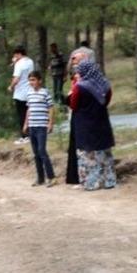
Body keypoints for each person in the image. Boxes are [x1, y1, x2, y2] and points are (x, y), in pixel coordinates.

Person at [68, 59, 116, 191]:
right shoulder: (105, 85)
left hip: (84, 124)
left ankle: (91, 183)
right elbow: (106, 101)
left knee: (87, 154)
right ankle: (108, 180)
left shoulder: (80, 87)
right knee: (104, 152)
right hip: (101, 121)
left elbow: (73, 104)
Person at [64, 48, 96, 185]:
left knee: (84, 147)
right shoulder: (76, 75)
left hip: (85, 115)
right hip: (76, 114)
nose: (73, 62)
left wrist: (72, 97)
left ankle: (87, 178)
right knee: (75, 145)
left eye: (75, 59)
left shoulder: (89, 77)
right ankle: (74, 177)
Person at [22, 71, 56, 187]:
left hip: (42, 126)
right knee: (36, 153)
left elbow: (51, 108)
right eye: (30, 80)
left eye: (34, 80)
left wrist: (50, 123)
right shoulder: (29, 93)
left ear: (39, 80)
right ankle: (40, 178)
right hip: (32, 126)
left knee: (42, 151)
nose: (32, 82)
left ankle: (51, 177)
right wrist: (26, 123)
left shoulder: (45, 93)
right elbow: (29, 109)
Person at [8, 45, 34, 145]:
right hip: (29, 91)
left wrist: (11, 86)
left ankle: (24, 136)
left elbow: (16, 78)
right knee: (29, 114)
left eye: (15, 54)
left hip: (20, 93)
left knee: (21, 115)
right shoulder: (30, 61)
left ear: (18, 54)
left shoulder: (19, 64)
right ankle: (31, 135)